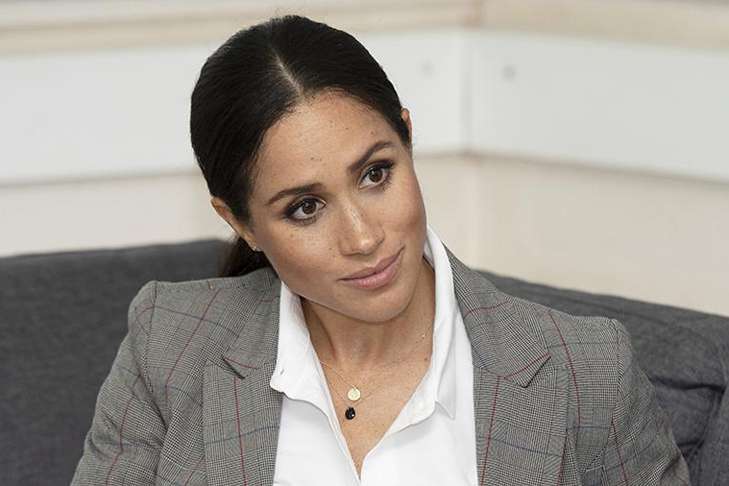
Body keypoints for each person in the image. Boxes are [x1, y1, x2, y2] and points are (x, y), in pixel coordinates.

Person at [71, 14, 691, 486]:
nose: (364, 238)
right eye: (305, 208)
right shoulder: (169, 345)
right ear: (241, 224)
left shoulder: (587, 372)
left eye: (375, 174)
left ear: (408, 137)